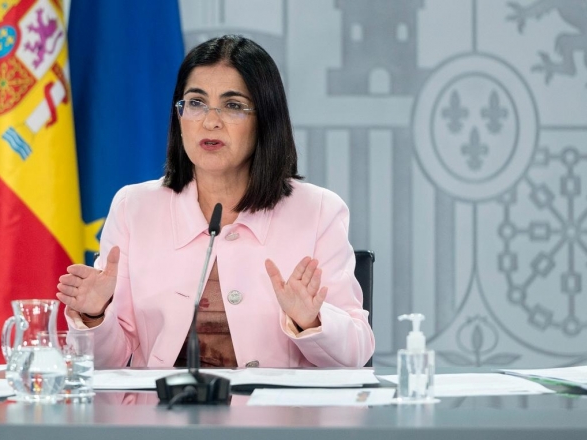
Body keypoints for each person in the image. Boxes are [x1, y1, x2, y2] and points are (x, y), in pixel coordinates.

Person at [56, 35, 374, 369]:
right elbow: (105, 364)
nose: (210, 121)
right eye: (195, 103)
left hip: (272, 418)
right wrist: (94, 315)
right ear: (179, 116)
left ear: (264, 119)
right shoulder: (134, 207)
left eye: (233, 105)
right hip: (159, 415)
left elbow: (357, 351)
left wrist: (312, 320)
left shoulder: (318, 211)